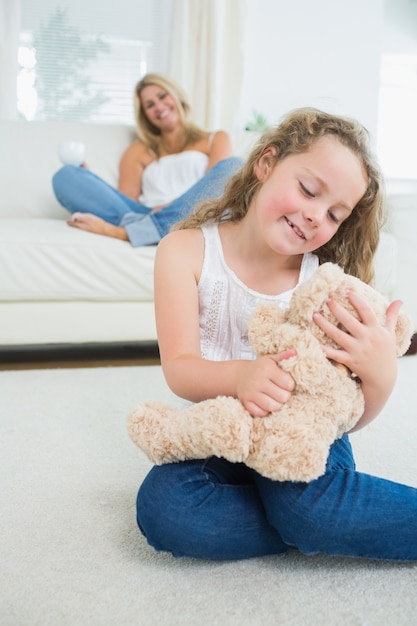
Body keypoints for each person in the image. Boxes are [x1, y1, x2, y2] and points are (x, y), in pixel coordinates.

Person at [135, 107, 417, 562]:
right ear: (266, 163)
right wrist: (242, 378)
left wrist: (381, 379)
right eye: (308, 190)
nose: (314, 217)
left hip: (300, 435)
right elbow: (180, 369)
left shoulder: (324, 282)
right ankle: (315, 526)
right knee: (164, 508)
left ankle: (311, 521)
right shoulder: (184, 251)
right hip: (224, 429)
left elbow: (341, 414)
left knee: (305, 505)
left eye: (334, 214)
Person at [52, 73, 243, 246]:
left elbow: (215, 194)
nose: (159, 107)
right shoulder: (137, 150)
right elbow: (124, 204)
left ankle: (133, 233)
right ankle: (146, 231)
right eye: (150, 105)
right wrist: (90, 182)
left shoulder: (216, 139)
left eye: (162, 96)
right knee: (66, 175)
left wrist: (169, 207)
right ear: (145, 116)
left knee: (234, 166)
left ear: (176, 96)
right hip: (144, 214)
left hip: (192, 217)